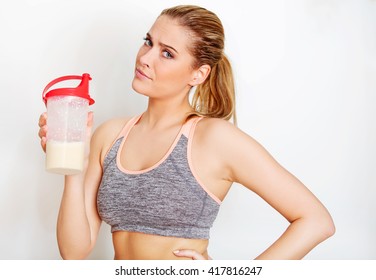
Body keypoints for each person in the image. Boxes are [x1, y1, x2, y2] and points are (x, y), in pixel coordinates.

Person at [38, 5, 335, 260]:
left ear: (198, 74)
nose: (145, 57)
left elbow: (316, 221)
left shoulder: (214, 138)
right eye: (148, 42)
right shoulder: (110, 135)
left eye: (167, 53)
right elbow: (74, 252)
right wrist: (74, 165)